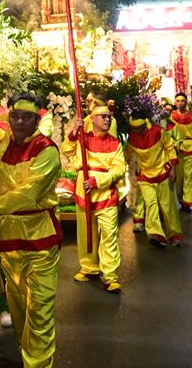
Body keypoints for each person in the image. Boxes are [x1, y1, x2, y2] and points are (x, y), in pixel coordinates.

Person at [0, 92, 61, 368]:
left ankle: (38, 364)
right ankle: (28, 356)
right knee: (20, 308)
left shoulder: (46, 151)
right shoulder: (3, 146)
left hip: (40, 240)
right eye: (15, 116)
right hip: (9, 239)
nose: (20, 122)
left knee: (40, 311)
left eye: (27, 117)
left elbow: (29, 194)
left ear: (37, 119)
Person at [62, 103, 126, 292]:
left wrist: (97, 181)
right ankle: (89, 268)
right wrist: (74, 131)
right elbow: (67, 151)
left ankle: (110, 275)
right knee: (85, 234)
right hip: (84, 193)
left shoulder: (115, 144)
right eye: (103, 116)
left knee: (109, 237)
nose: (107, 119)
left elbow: (119, 169)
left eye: (109, 117)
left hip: (105, 194)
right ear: (93, 119)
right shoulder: (83, 139)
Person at [127, 113, 182, 247]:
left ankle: (174, 234)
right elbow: (127, 154)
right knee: (150, 205)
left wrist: (173, 169)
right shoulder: (132, 138)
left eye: (139, 128)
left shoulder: (158, 131)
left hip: (163, 173)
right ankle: (156, 235)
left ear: (144, 124)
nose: (136, 131)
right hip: (145, 175)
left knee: (167, 206)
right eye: (133, 128)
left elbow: (170, 148)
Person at [170, 92, 192, 212]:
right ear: (175, 102)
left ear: (186, 102)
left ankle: (187, 202)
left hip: (190, 150)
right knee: (178, 179)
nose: (180, 103)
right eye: (178, 100)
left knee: (189, 179)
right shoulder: (171, 116)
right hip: (176, 151)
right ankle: (181, 199)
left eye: (183, 100)